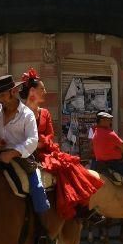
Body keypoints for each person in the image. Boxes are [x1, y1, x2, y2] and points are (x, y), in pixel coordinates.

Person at [20, 68, 103, 219]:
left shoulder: (45, 112)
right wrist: (33, 143)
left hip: (44, 149)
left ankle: (81, 207)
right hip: (27, 151)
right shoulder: (21, 112)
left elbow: (51, 134)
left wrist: (41, 142)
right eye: (42, 89)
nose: (45, 91)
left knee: (71, 167)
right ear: (32, 91)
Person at [0, 74, 51, 244]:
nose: (1, 99)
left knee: (37, 188)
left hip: (23, 157)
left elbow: (32, 140)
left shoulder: (27, 115)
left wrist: (14, 152)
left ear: (13, 91)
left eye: (3, 95)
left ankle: (43, 233)